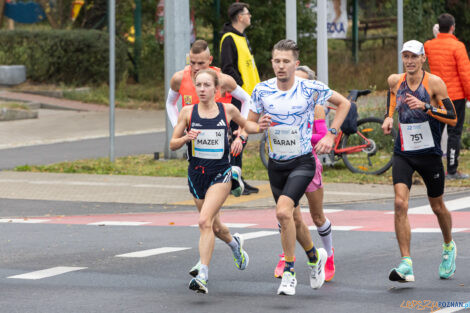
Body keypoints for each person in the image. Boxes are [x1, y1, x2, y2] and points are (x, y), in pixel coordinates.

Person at [248, 39, 350, 295]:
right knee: (292, 217)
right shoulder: (261, 90)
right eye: (276, 61)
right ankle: (315, 258)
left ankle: (290, 271)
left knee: (283, 213)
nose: (280, 66)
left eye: (286, 61)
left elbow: (344, 104)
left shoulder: (311, 88)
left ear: (296, 63)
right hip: (276, 164)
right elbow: (247, 125)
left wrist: (331, 135)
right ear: (271, 62)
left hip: (302, 162)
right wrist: (256, 126)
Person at [170, 69, 270, 294]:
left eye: (207, 85)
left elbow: (248, 125)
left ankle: (202, 274)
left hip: (221, 174)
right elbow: (172, 143)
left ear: (216, 90)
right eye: (199, 85)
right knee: (214, 226)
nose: (202, 89)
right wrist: (187, 137)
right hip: (196, 175)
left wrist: (257, 127)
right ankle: (235, 244)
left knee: (204, 221)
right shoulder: (187, 112)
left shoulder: (227, 110)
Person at [382, 40, 458, 283]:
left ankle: (448, 246)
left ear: (423, 58)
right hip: (403, 151)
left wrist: (426, 107)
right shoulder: (396, 80)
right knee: (399, 203)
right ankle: (406, 263)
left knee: (437, 206)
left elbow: (453, 118)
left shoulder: (434, 83)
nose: (410, 61)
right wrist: (388, 117)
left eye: (414, 56)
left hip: (430, 154)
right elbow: (391, 95)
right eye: (406, 56)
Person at [166, 39, 252, 196]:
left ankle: (232, 174)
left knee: (219, 171)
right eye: (192, 63)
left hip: (221, 131)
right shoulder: (179, 78)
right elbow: (170, 104)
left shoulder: (222, 79)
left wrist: (241, 128)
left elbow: (247, 99)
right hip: (196, 137)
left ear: (210, 60)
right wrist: (179, 128)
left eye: (201, 63)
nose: (196, 68)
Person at [274, 66, 335, 282]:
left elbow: (322, 135)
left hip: (308, 164)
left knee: (317, 216)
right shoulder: (277, 104)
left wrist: (302, 137)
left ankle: (329, 255)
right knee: (287, 213)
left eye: (300, 81)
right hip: (286, 164)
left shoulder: (316, 107)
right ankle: (286, 257)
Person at [220, 2, 261, 195]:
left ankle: (238, 177)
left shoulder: (242, 38)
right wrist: (242, 90)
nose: (250, 16)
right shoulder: (229, 38)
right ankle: (231, 180)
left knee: (241, 137)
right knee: (237, 136)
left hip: (250, 98)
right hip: (239, 99)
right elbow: (228, 68)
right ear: (239, 17)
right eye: (247, 13)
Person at [424, 13, 470, 179]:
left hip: (436, 95)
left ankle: (430, 169)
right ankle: (451, 170)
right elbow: (466, 74)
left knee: (435, 131)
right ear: (452, 27)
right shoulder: (458, 47)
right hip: (455, 96)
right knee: (454, 133)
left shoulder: (429, 45)